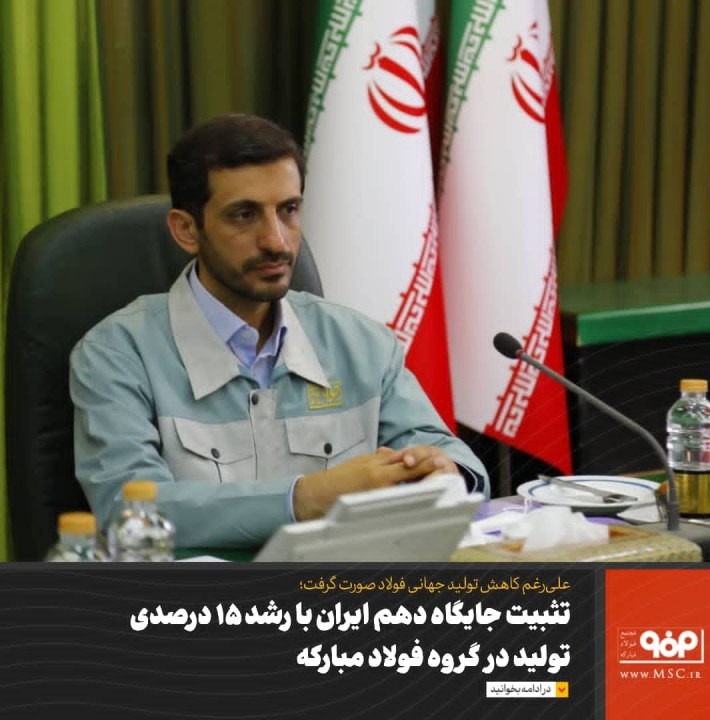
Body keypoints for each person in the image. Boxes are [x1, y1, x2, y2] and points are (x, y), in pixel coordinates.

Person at [70, 113, 489, 549]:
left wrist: (444, 473)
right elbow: (129, 512)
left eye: (288, 210)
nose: (277, 241)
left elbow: (450, 456)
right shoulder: (116, 354)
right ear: (187, 230)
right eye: (244, 215)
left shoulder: (361, 342)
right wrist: (304, 499)